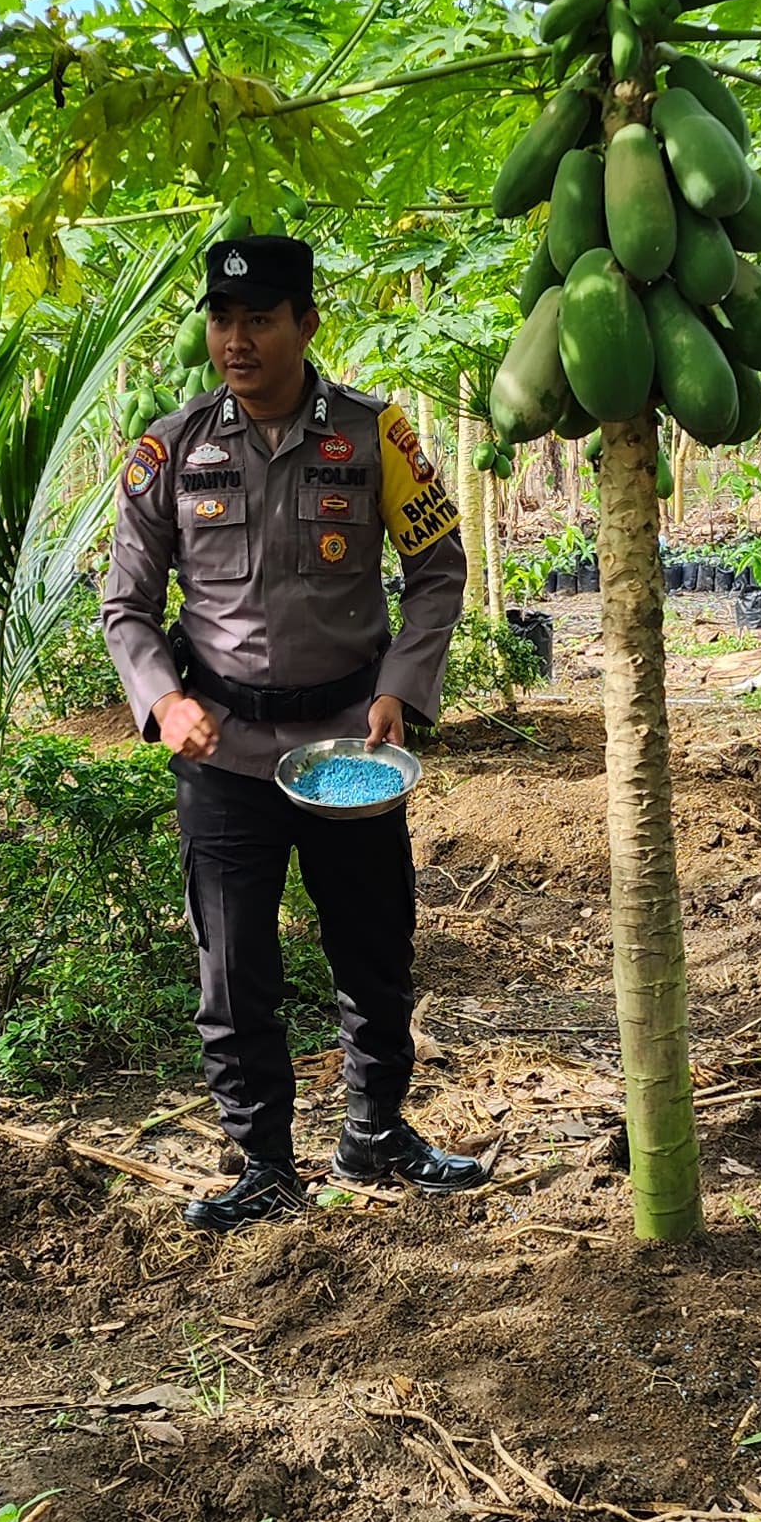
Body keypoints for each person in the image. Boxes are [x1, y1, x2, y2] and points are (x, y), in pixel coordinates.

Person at [101, 232, 488, 1230]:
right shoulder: (173, 448)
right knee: (233, 968)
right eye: (221, 319)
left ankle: (376, 1136)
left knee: (374, 949)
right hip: (222, 749)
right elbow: (126, 607)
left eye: (259, 319)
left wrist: (404, 683)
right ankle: (263, 1162)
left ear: (306, 323)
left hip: (349, 753)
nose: (236, 339)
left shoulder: (372, 436)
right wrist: (163, 700)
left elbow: (438, 569)